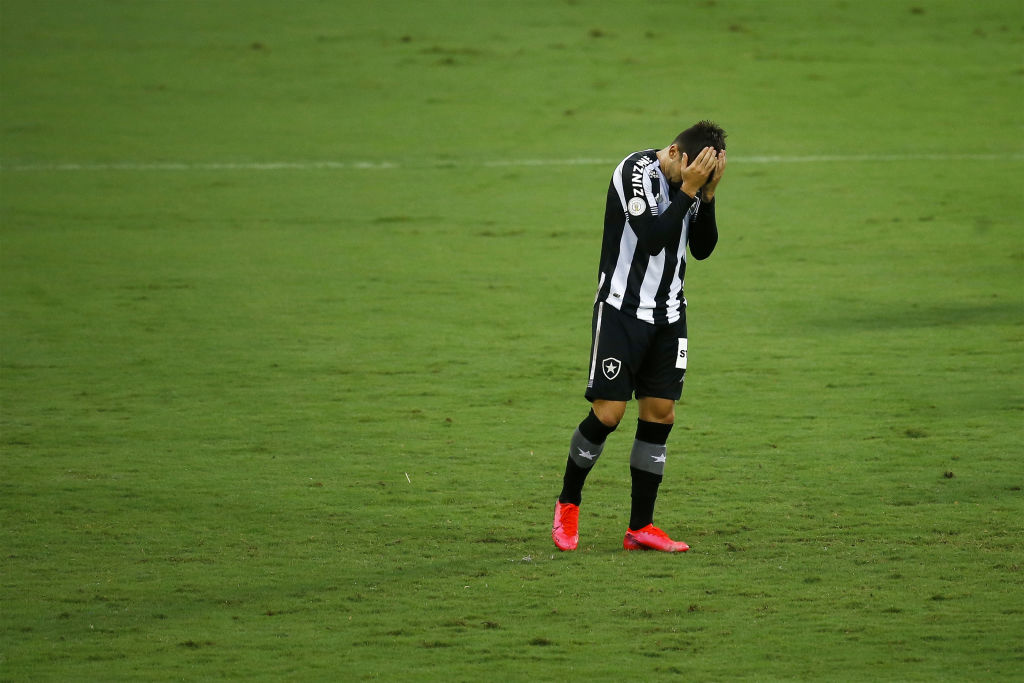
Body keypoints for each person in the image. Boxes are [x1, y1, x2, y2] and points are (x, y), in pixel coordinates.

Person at [552, 121, 727, 552]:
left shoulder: (693, 181)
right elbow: (651, 239)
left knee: (660, 415)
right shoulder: (635, 171)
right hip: (621, 311)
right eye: (691, 172)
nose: (692, 180)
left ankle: (640, 527)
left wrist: (707, 196)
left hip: (669, 315)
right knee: (608, 415)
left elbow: (702, 249)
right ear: (675, 152)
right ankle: (568, 503)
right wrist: (689, 190)